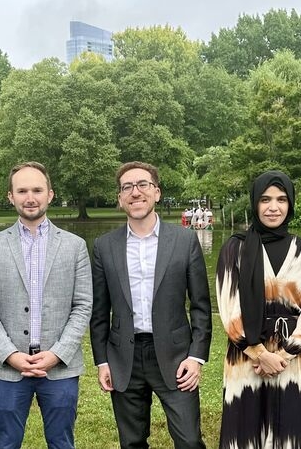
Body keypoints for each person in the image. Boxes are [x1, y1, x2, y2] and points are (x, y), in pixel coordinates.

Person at [90, 161, 212, 449]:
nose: (135, 192)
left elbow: (201, 306)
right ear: (120, 198)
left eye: (143, 184)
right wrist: (102, 360)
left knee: (190, 440)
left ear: (156, 192)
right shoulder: (104, 246)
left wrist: (196, 357)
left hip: (175, 356)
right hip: (124, 357)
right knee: (131, 442)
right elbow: (99, 311)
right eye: (127, 187)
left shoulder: (184, 240)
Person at [0, 162, 92, 449]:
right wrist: (9, 354)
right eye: (22, 190)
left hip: (60, 368)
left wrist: (58, 353)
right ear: (10, 196)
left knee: (62, 442)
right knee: (5, 443)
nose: (30, 197)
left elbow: (83, 305)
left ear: (50, 195)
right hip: (8, 369)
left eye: (37, 190)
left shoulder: (75, 246)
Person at [215, 170, 301, 448]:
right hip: (246, 356)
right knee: (247, 431)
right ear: (255, 203)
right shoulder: (235, 249)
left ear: (290, 204)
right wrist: (259, 352)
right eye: (265, 199)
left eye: (281, 199)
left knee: (294, 429)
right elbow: (228, 305)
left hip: (294, 358)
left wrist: (283, 354)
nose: (273, 207)